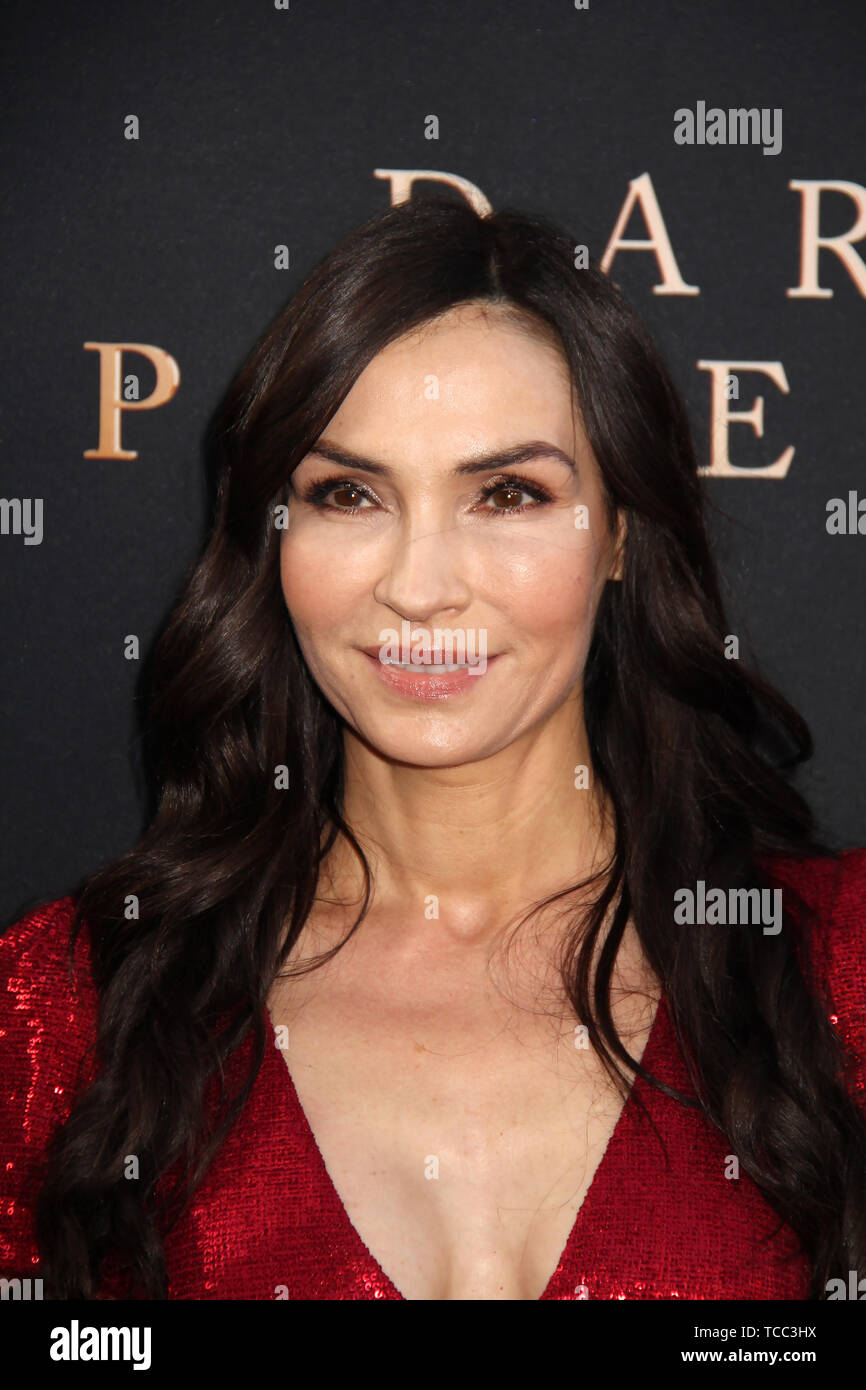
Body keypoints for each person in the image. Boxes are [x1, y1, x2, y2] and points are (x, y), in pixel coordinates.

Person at [1, 198, 864, 1302]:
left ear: (618, 538)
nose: (417, 586)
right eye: (347, 493)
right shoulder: (67, 1005)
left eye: (507, 494)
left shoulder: (836, 968)